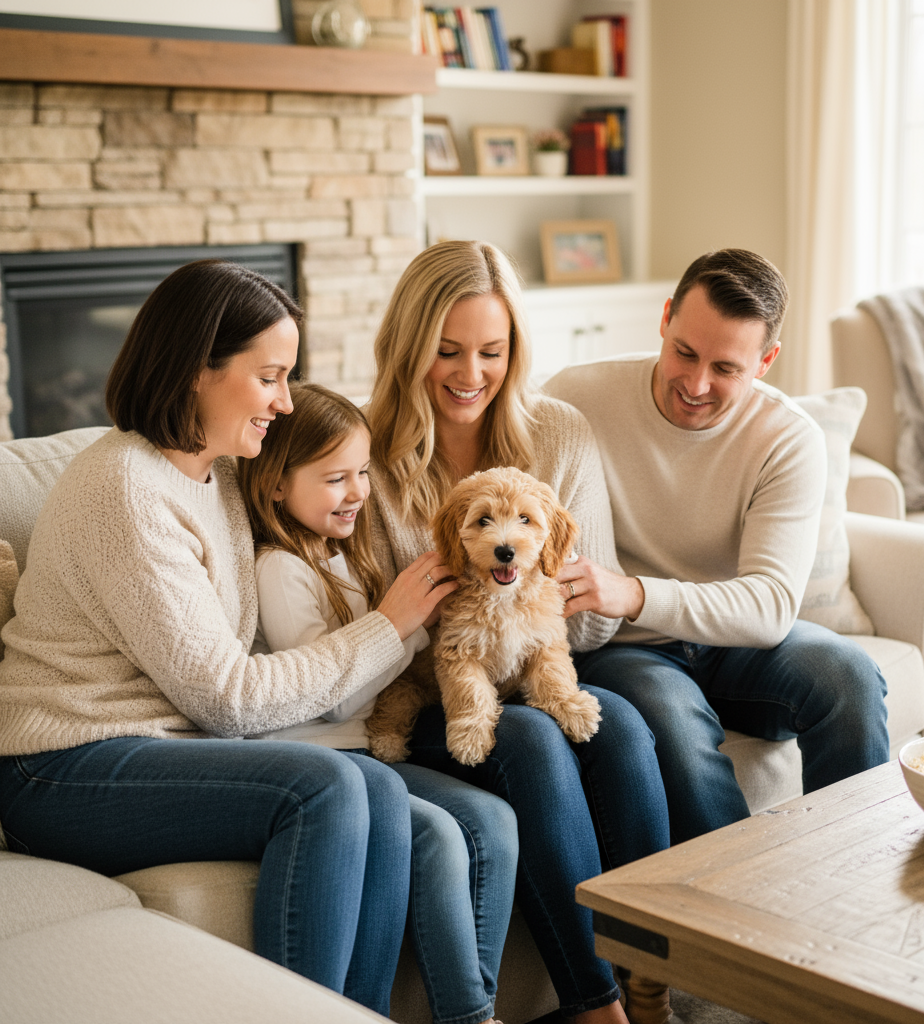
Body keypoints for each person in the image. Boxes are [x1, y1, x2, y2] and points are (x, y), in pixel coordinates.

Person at [0, 259, 444, 1015]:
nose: (285, 401)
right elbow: (228, 700)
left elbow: (328, 484)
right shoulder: (126, 488)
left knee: (379, 790)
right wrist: (389, 626)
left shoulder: (224, 473)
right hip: (61, 766)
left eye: (288, 377)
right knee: (326, 786)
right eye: (269, 377)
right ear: (196, 369)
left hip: (159, 747)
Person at [366, 240, 673, 1024]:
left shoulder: (559, 432)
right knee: (529, 738)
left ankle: (651, 976)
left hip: (532, 651)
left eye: (491, 351)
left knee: (623, 728)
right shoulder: (364, 455)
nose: (470, 373)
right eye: (446, 351)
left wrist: (545, 594)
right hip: (424, 687)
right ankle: (594, 1005)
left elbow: (593, 621)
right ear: (406, 347)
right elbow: (364, 629)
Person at [544, 247, 890, 845]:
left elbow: (770, 606)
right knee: (674, 727)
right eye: (684, 352)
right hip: (628, 648)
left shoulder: (787, 438)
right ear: (665, 318)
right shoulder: (576, 398)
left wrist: (634, 592)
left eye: (726, 368)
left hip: (734, 643)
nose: (696, 384)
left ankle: (851, 870)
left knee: (849, 677)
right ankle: (730, 898)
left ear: (766, 361)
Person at [237, 381, 517, 1024]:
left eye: (362, 472)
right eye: (335, 478)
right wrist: (405, 621)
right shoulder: (280, 568)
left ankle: (477, 1005)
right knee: (440, 837)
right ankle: (469, 1015)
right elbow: (332, 700)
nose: (358, 491)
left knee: (494, 822)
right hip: (322, 757)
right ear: (276, 485)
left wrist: (428, 617)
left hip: (364, 754)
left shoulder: (339, 558)